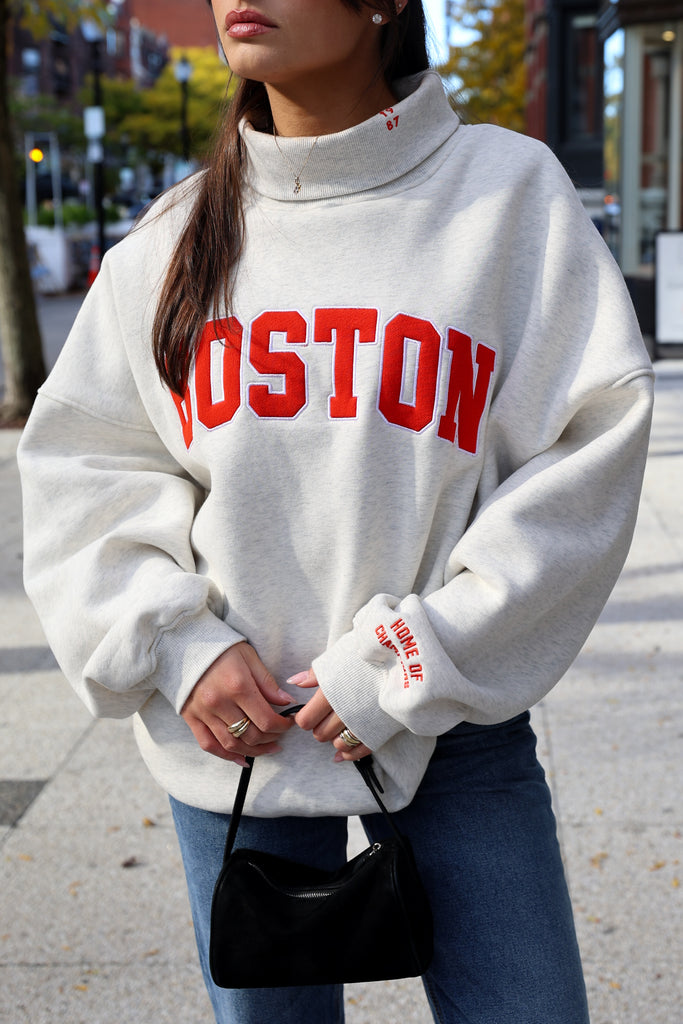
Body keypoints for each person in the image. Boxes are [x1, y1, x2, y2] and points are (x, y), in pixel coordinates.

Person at [18, 2, 654, 1022]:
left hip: (451, 724)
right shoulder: (173, 237)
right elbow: (84, 468)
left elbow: (586, 445)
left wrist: (412, 655)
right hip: (239, 734)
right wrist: (175, 642)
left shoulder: (504, 194)